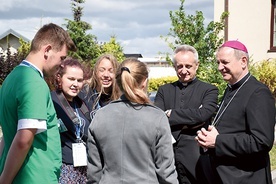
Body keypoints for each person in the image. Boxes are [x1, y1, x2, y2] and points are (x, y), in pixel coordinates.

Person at [0, 23, 76, 183]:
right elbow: (23, 140)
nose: (62, 64)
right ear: (47, 50)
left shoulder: (11, 79)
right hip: (35, 177)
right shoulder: (34, 83)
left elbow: (7, 136)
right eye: (62, 58)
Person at [86, 58, 179, 184]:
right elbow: (166, 172)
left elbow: (94, 172)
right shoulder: (157, 117)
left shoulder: (100, 116)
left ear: (118, 82)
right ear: (144, 82)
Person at [196, 40, 276, 184]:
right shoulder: (230, 88)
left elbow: (262, 141)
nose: (220, 67)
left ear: (243, 61)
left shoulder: (258, 93)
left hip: (246, 177)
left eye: (225, 62)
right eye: (218, 62)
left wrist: (217, 141)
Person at [154, 44, 218, 184]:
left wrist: (171, 114)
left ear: (197, 65)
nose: (183, 71)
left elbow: (203, 115)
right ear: (174, 66)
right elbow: (157, 119)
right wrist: (191, 120)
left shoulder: (209, 90)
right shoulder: (164, 90)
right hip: (168, 155)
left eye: (188, 66)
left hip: (196, 157)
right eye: (179, 66)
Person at [50, 58, 91, 183]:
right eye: (71, 79)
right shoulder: (52, 101)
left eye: (79, 80)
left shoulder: (82, 103)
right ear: (59, 78)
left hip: (84, 168)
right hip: (63, 167)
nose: (75, 84)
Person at [78, 54, 120, 118]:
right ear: (96, 72)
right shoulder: (83, 93)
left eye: (111, 71)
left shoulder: (120, 99)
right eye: (102, 70)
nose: (106, 75)